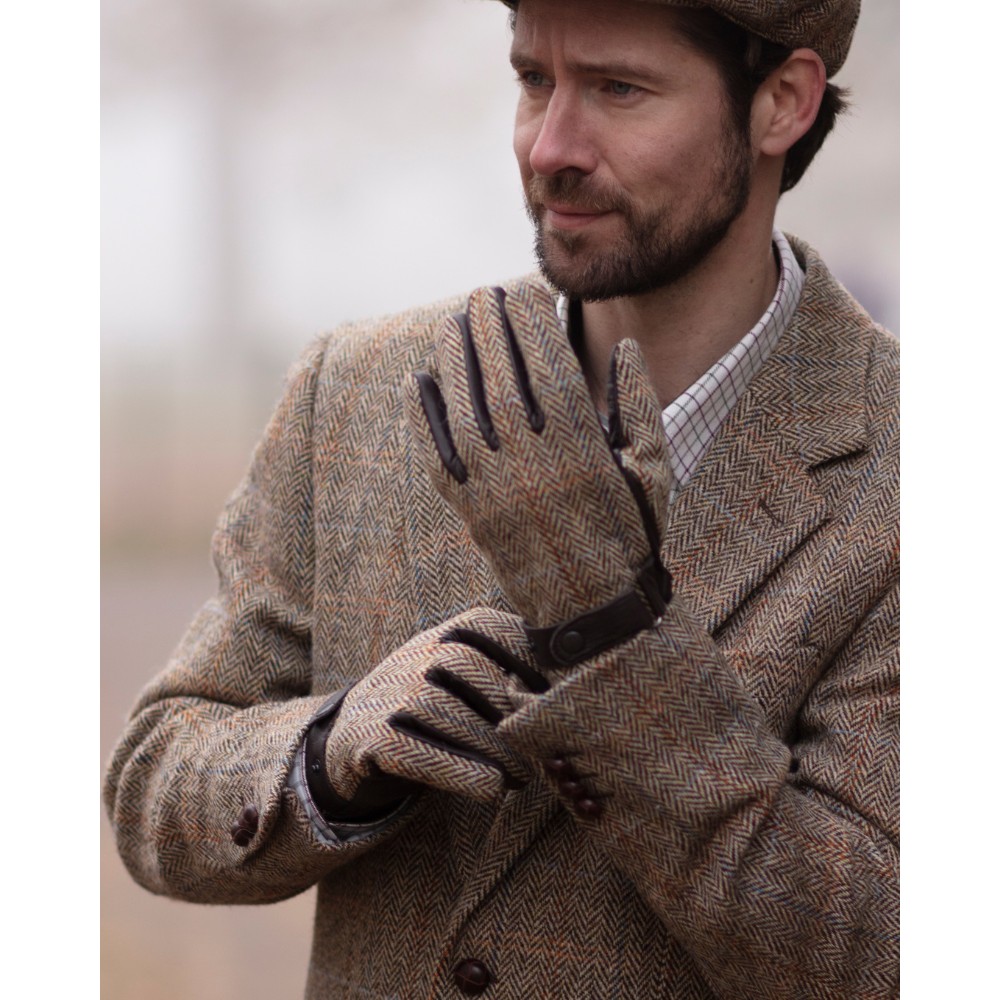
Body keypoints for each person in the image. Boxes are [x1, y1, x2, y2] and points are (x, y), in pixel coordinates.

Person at [104, 0, 898, 996]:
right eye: (533, 81)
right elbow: (152, 792)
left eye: (618, 88)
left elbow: (876, 949)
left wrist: (601, 621)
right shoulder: (359, 390)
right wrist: (333, 746)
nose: (549, 146)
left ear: (781, 102)